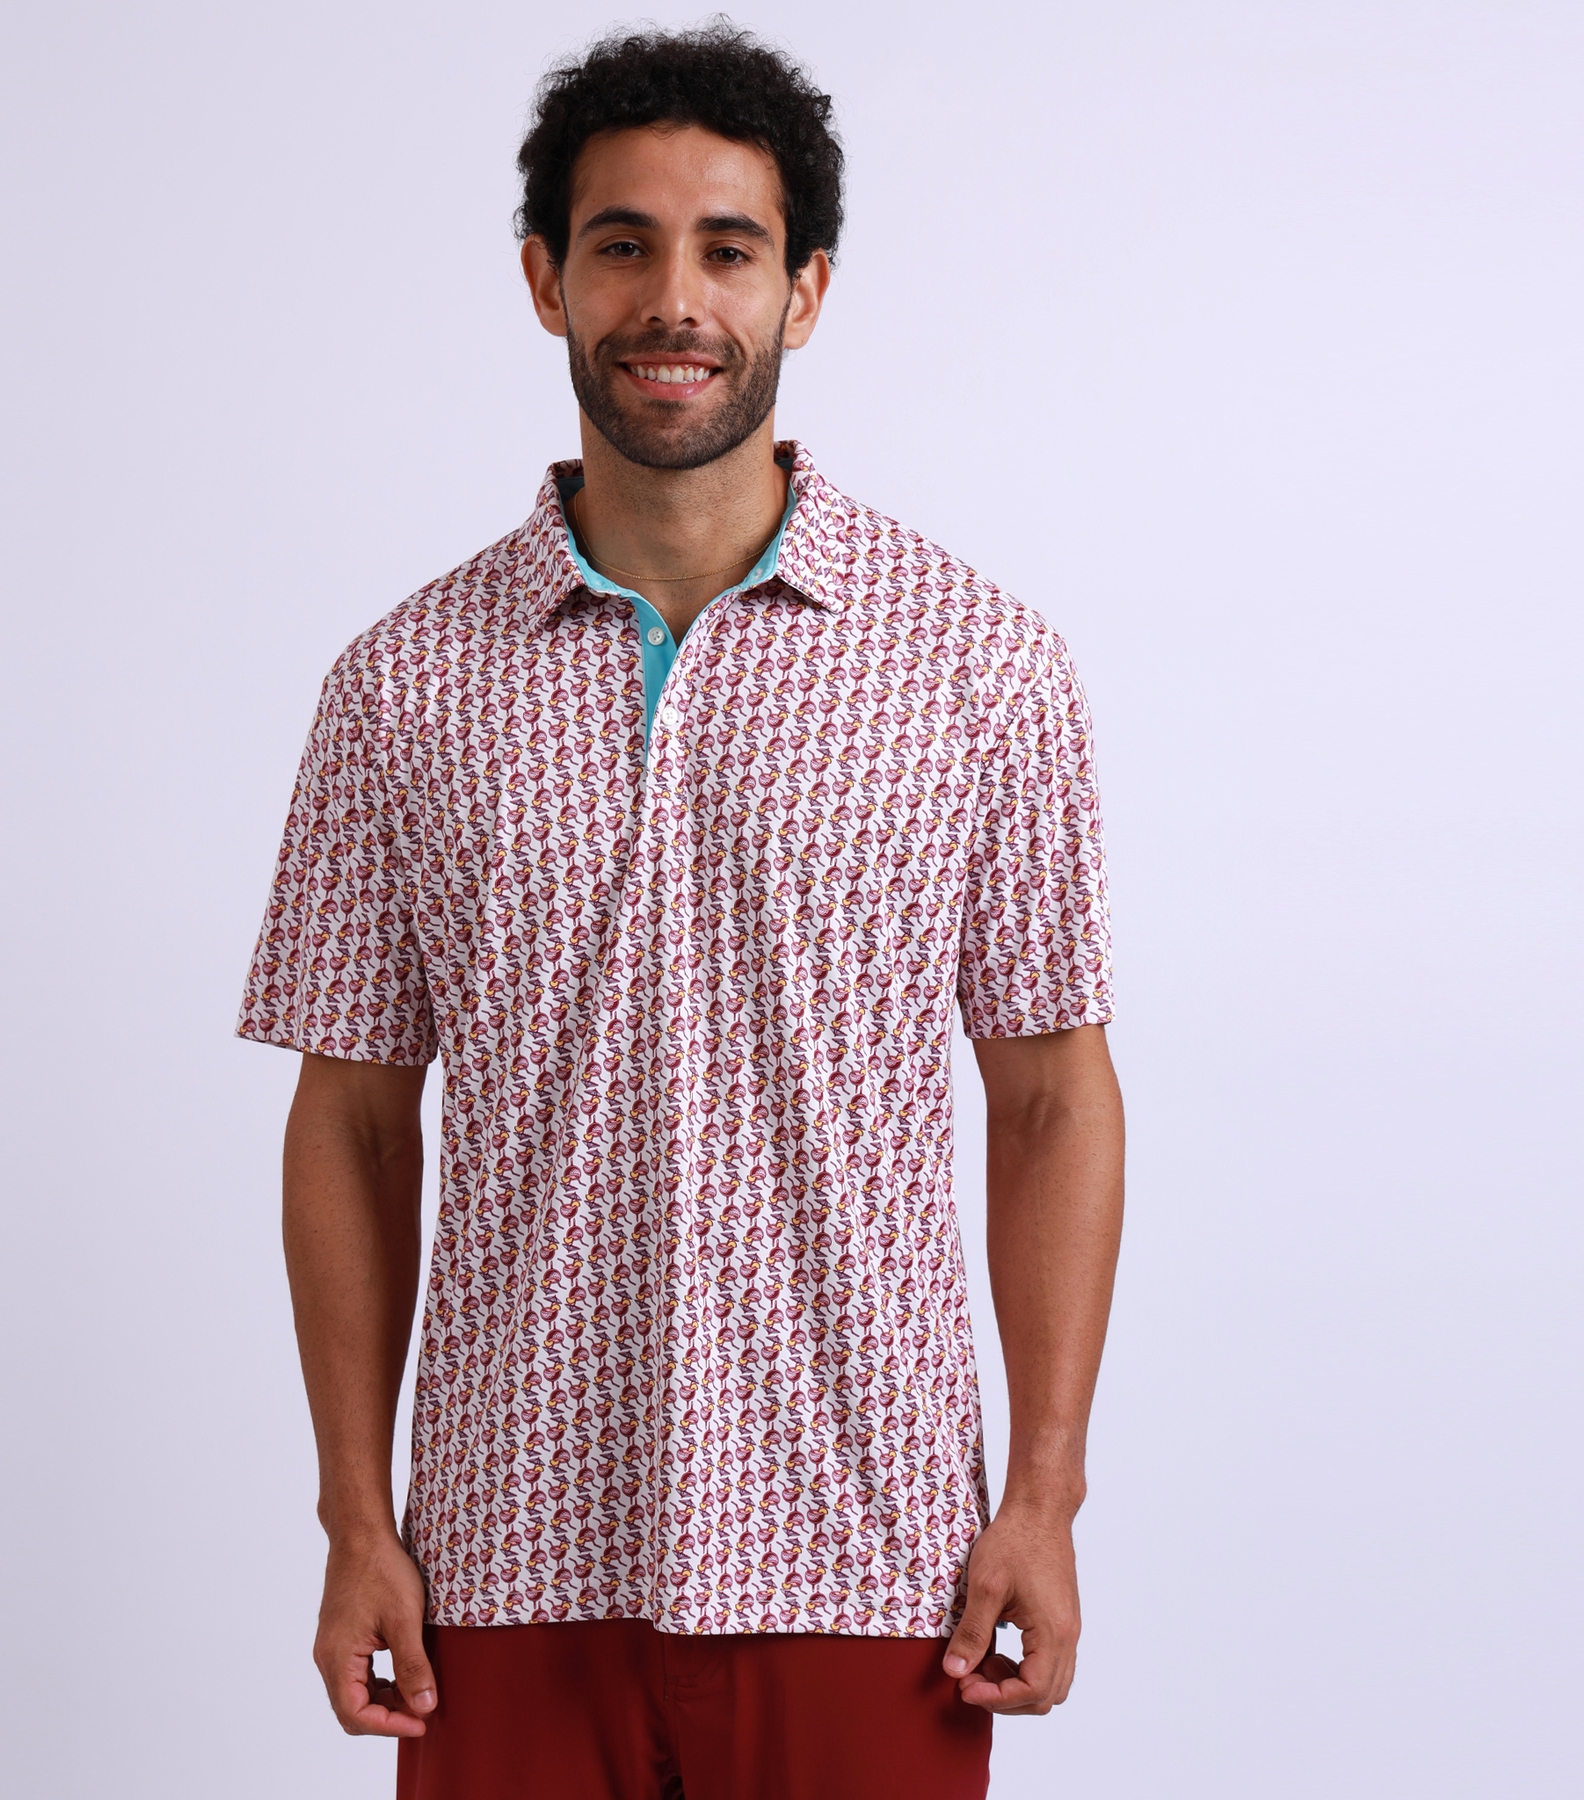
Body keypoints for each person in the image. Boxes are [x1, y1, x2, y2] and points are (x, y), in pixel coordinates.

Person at [237, 22, 1124, 1799]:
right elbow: (350, 1120)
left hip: (871, 1562)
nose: (674, 299)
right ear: (545, 279)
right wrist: (353, 1515)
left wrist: (1042, 1493)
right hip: (504, 1559)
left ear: (805, 291)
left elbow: (1050, 1097)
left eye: (728, 248)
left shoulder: (980, 670)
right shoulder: (401, 689)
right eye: (623, 244)